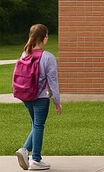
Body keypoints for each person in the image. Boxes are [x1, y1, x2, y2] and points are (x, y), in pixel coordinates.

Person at [14, 24, 61, 170]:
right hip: (40, 97)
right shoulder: (48, 57)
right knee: (39, 126)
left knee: (36, 125)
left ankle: (25, 151)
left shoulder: (25, 54)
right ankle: (35, 159)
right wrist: (57, 101)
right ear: (44, 38)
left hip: (26, 96)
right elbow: (53, 82)